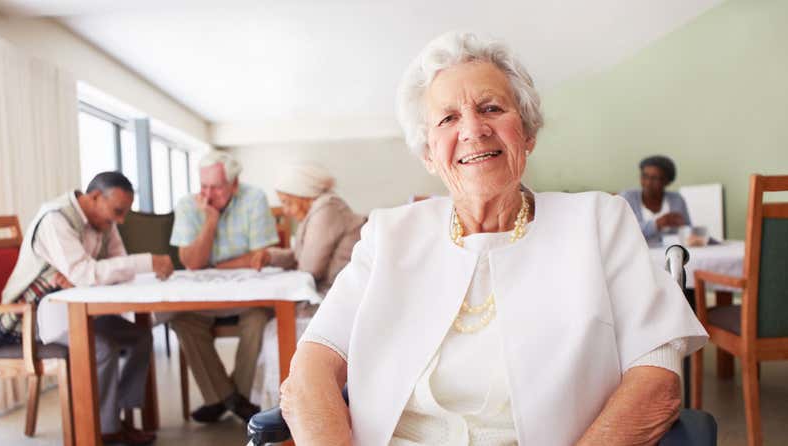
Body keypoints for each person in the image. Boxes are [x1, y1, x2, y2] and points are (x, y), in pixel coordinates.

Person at [279, 32, 708, 445]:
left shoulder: (598, 221)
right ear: (429, 153)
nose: (473, 129)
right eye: (448, 118)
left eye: (491, 108)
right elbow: (311, 372)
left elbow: (656, 383)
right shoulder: (389, 235)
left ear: (528, 132)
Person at [0, 171, 173, 445]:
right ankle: (106, 430)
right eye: (118, 211)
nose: (121, 220)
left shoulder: (104, 222)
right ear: (94, 197)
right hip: (30, 320)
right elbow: (90, 274)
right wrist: (141, 263)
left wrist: (89, 276)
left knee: (141, 336)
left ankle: (117, 416)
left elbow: (117, 268)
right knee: (102, 347)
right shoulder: (55, 220)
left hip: (68, 311)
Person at [168, 150, 279, 423]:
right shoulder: (187, 205)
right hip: (202, 300)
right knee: (182, 321)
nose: (207, 194)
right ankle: (232, 399)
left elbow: (257, 258)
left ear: (234, 184)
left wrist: (215, 266)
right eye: (203, 186)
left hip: (247, 298)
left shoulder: (254, 198)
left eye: (216, 187)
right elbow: (193, 263)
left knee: (259, 319)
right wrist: (210, 221)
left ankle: (222, 398)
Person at [267, 163, 366, 295]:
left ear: (304, 195)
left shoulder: (326, 209)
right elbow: (301, 257)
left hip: (334, 295)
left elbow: (310, 269)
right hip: (330, 291)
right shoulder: (315, 211)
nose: (285, 211)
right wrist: (269, 257)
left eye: (288, 202)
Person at [619, 155, 692, 246]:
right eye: (644, 176)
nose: (648, 182)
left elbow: (689, 231)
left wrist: (683, 226)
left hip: (670, 253)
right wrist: (657, 224)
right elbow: (623, 231)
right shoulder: (628, 197)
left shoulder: (677, 199)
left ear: (667, 181)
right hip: (637, 254)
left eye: (655, 178)